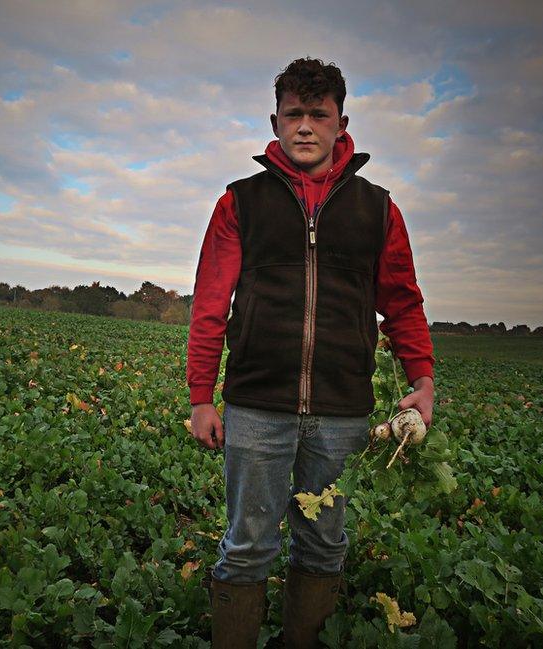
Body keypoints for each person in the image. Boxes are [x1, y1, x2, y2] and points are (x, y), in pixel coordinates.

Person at [186, 57, 435, 648]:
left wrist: (422, 380)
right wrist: (202, 397)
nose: (305, 126)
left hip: (341, 411)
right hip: (256, 406)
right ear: (274, 121)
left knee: (323, 542)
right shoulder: (239, 202)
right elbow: (210, 302)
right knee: (247, 544)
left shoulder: (379, 209)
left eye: (317, 115)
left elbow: (402, 301)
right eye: (293, 113)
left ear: (340, 122)